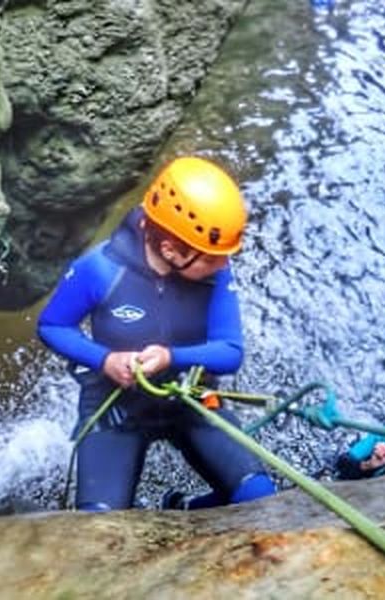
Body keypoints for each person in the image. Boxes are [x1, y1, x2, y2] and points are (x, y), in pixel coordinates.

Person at [38, 156, 276, 511]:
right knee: (98, 527)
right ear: (170, 250)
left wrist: (171, 356)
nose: (224, 264)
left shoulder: (216, 275)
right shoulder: (101, 268)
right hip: (117, 409)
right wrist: (105, 360)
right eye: (212, 257)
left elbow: (230, 351)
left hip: (189, 400)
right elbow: (52, 325)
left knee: (259, 498)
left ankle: (185, 509)